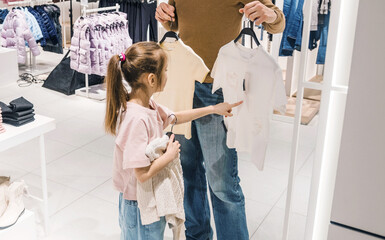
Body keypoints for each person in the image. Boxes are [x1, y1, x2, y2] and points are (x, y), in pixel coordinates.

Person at [155, 1, 286, 239]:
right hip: (181, 81)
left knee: (222, 181)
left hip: (219, 86)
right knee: (187, 172)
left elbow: (277, 22)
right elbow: (173, 21)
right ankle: (197, 236)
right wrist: (164, 16)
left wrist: (268, 14)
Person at [104, 41, 242, 240]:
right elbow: (142, 174)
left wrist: (213, 109)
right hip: (138, 204)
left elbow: (175, 117)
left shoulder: (149, 106)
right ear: (152, 79)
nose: (168, 74)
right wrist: (169, 155)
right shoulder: (136, 119)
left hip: (149, 199)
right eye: (166, 70)